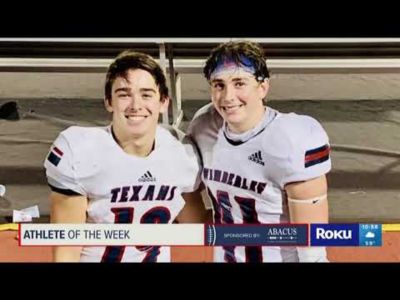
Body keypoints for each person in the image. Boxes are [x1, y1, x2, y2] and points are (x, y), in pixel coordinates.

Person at [44, 50, 206, 262]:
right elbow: (67, 250)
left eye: (146, 94)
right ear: (108, 102)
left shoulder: (180, 151)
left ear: (163, 102)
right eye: (124, 94)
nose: (136, 105)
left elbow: (197, 226)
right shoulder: (80, 151)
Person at [187, 40, 331, 262]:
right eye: (219, 84)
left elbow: (312, 247)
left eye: (239, 83)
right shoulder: (205, 127)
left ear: (262, 87)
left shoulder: (291, 139)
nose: (228, 97)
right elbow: (195, 213)